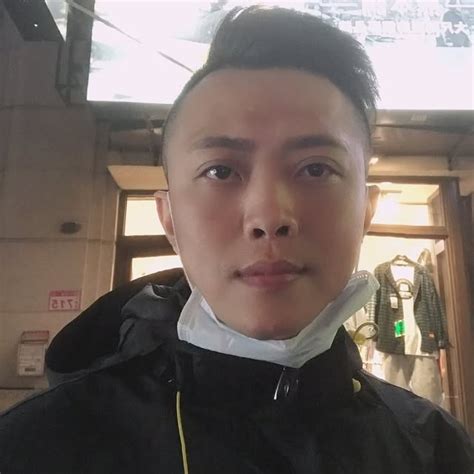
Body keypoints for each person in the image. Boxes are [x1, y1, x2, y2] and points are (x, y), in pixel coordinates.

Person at [1, 6, 473, 473]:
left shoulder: (435, 450)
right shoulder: (36, 448)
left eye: (316, 169)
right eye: (220, 171)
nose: (269, 217)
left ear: (366, 211)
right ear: (170, 220)